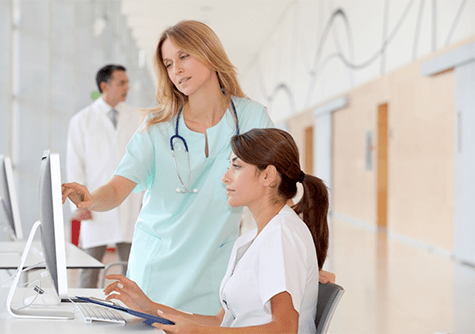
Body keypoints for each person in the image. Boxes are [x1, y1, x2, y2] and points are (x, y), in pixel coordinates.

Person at [62, 20, 333, 314]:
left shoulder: (252, 117)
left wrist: (297, 262)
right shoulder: (157, 127)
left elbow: (277, 197)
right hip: (156, 271)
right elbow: (118, 187)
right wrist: (92, 198)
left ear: (209, 53)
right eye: (168, 63)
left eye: (184, 56)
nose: (176, 70)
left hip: (215, 269)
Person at [103, 128, 330, 334]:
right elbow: (220, 322)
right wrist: (151, 308)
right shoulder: (250, 240)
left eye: (237, 166)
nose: (226, 177)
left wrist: (197, 332)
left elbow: (284, 329)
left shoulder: (282, 235)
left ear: (267, 176)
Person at [66, 64, 144, 288]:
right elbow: (74, 165)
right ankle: (85, 311)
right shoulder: (81, 121)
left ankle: (130, 311)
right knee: (90, 268)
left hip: (130, 201)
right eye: (121, 83)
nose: (127, 87)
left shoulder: (137, 117)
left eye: (127, 82)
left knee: (133, 267)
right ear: (104, 86)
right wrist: (78, 205)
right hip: (95, 203)